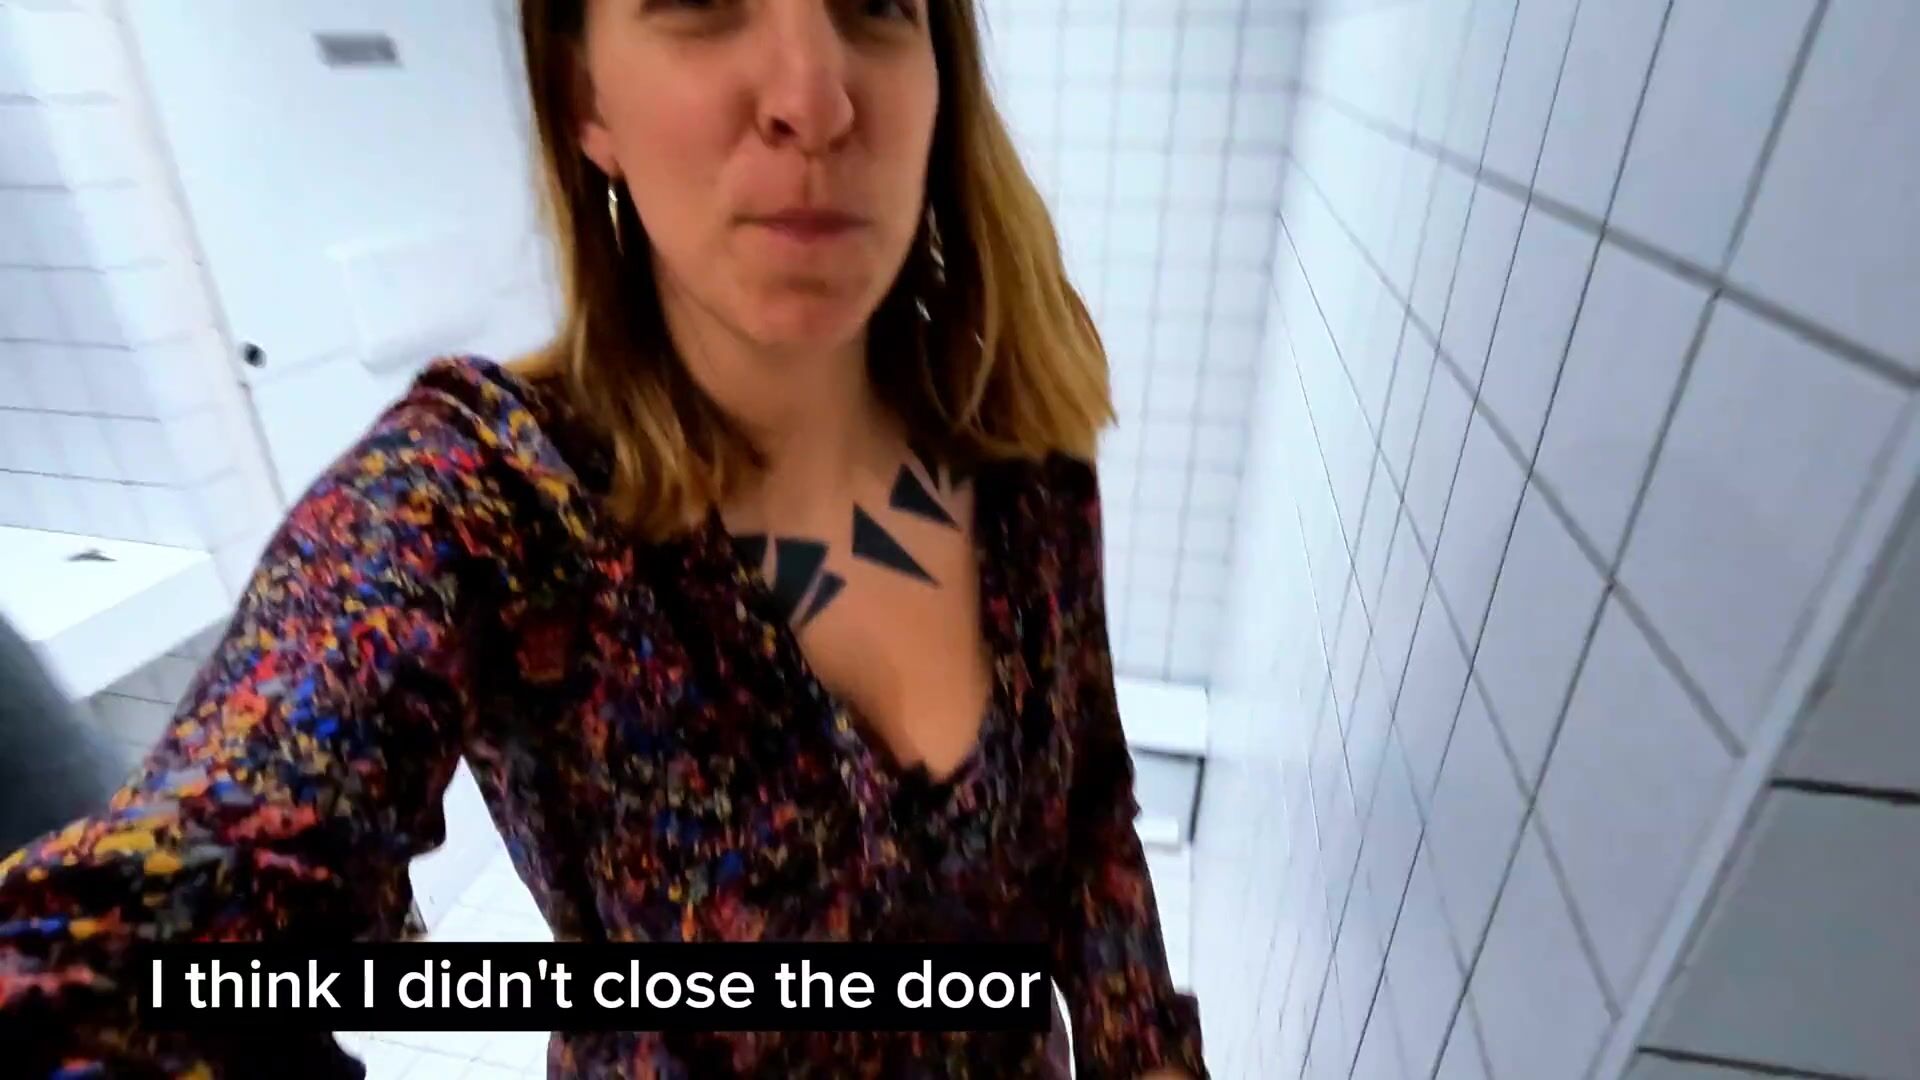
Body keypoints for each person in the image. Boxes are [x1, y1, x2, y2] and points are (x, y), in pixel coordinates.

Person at [0, 1, 1206, 1076]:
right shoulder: (487, 497)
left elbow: (1091, 809)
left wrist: (1146, 1056)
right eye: (701, 3)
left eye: (876, 4)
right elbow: (123, 967)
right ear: (585, 94)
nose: (813, 97)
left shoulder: (1014, 444)